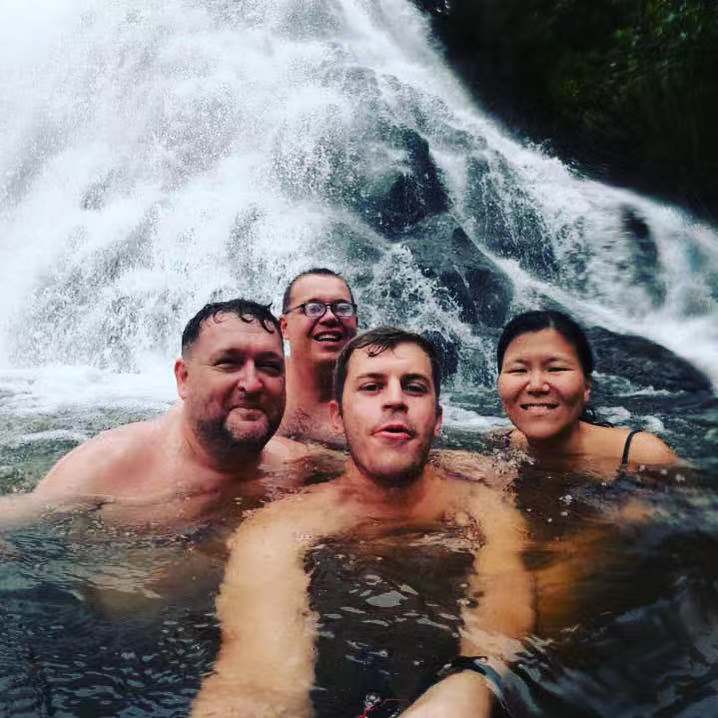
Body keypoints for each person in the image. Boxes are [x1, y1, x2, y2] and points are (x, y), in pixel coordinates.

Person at [192, 328, 533, 718]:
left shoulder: (484, 507)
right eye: (372, 387)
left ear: (437, 420)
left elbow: (501, 613)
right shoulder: (280, 528)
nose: (395, 400)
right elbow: (256, 678)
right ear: (337, 417)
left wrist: (469, 682)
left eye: (414, 387)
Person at [0, 299, 331, 529]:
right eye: (228, 363)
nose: (252, 383)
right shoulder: (105, 468)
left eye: (269, 366)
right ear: (183, 378)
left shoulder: (296, 462)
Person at [497, 310, 679, 476]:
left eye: (555, 368)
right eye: (519, 370)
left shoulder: (645, 456)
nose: (536, 385)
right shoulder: (501, 443)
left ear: (586, 386)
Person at [278, 268, 358, 445]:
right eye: (313, 308)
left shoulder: (380, 400)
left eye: (342, 308)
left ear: (356, 323)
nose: (330, 317)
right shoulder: (258, 381)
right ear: (284, 327)